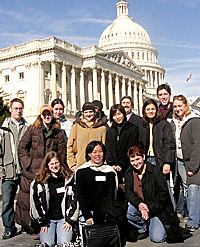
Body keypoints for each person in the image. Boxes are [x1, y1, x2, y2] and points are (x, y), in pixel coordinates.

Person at [15, 104, 66, 235]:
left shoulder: (57, 132)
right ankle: (31, 227)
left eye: (49, 113)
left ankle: (46, 227)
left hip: (50, 171)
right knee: (29, 200)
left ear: (52, 115)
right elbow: (22, 147)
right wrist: (28, 164)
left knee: (47, 199)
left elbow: (61, 152)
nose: (47, 116)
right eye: (44, 114)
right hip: (32, 171)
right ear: (41, 116)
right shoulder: (33, 129)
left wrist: (56, 167)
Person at [125, 145, 184, 243]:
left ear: (143, 157)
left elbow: (163, 195)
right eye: (132, 160)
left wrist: (148, 207)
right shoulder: (129, 174)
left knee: (157, 238)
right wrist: (140, 204)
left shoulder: (155, 171)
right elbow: (129, 194)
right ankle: (143, 227)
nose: (136, 163)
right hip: (141, 206)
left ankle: (153, 223)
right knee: (129, 212)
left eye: (138, 159)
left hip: (158, 209)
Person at [30, 151, 78, 247]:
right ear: (47, 165)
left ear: (60, 163)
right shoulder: (39, 182)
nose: (55, 166)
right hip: (47, 221)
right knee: (47, 244)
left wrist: (70, 220)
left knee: (64, 244)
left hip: (64, 219)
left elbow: (75, 199)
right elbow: (35, 203)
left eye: (56, 163)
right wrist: (42, 222)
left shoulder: (70, 179)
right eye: (51, 164)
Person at [0, 98, 29, 240]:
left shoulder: (28, 127)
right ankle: (9, 227)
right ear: (10, 109)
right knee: (7, 201)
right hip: (8, 170)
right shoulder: (3, 128)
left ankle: (26, 223)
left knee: (25, 200)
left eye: (20, 108)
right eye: (16, 108)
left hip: (24, 170)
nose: (18, 111)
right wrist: (1, 171)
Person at [139, 99, 176, 207]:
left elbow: (170, 144)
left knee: (165, 188)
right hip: (147, 160)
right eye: (148, 109)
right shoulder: (143, 126)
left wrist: (167, 162)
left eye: (153, 109)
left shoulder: (163, 124)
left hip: (160, 160)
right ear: (144, 111)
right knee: (151, 188)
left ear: (156, 110)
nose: (150, 111)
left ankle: (172, 214)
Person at [173, 95, 200, 231]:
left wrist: (194, 166)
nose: (177, 109)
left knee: (193, 188)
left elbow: (197, 144)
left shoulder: (194, 120)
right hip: (180, 160)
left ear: (186, 105)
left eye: (180, 106)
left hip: (191, 161)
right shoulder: (176, 121)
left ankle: (193, 221)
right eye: (175, 106)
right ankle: (194, 216)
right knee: (187, 189)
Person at [76, 141, 117, 227]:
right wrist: (87, 216)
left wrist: (103, 214)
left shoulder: (109, 171)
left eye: (100, 151)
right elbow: (80, 195)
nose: (97, 154)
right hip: (86, 212)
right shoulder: (81, 171)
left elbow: (110, 195)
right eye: (94, 152)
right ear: (89, 154)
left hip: (104, 212)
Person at [67, 102, 106, 172]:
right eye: (86, 112)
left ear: (94, 113)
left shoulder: (101, 128)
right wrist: (72, 163)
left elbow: (104, 146)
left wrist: (104, 163)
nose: (88, 114)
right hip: (80, 165)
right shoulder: (76, 127)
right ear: (83, 114)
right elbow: (69, 146)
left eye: (91, 112)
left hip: (97, 166)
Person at [106, 104, 139, 184]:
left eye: (119, 114)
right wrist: (111, 163)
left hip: (128, 166)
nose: (117, 117)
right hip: (113, 168)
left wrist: (122, 164)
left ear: (123, 114)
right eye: (114, 115)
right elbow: (108, 148)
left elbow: (131, 146)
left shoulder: (132, 128)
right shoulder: (110, 131)